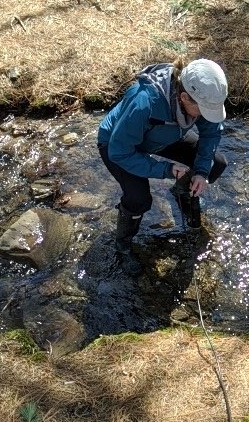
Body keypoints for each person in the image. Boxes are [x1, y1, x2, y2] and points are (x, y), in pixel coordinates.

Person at [97, 57, 228, 276]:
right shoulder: (144, 102)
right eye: (204, 110)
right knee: (139, 198)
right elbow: (120, 151)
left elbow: (212, 132)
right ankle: (123, 245)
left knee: (216, 164)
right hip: (118, 144)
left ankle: (182, 192)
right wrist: (165, 170)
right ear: (184, 97)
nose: (208, 115)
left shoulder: (201, 98)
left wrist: (201, 172)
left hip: (163, 138)